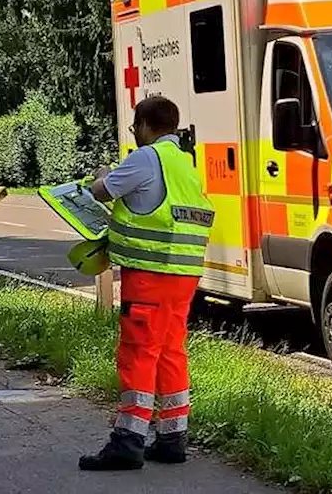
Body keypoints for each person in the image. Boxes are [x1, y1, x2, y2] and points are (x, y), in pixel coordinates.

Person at [78, 94, 213, 471]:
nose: (135, 133)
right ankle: (172, 438)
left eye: (135, 127)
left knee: (138, 352)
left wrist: (102, 177)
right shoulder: (186, 165)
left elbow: (101, 192)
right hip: (183, 276)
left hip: (149, 276)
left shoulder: (146, 157)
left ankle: (128, 441)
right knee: (171, 351)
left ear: (144, 125)